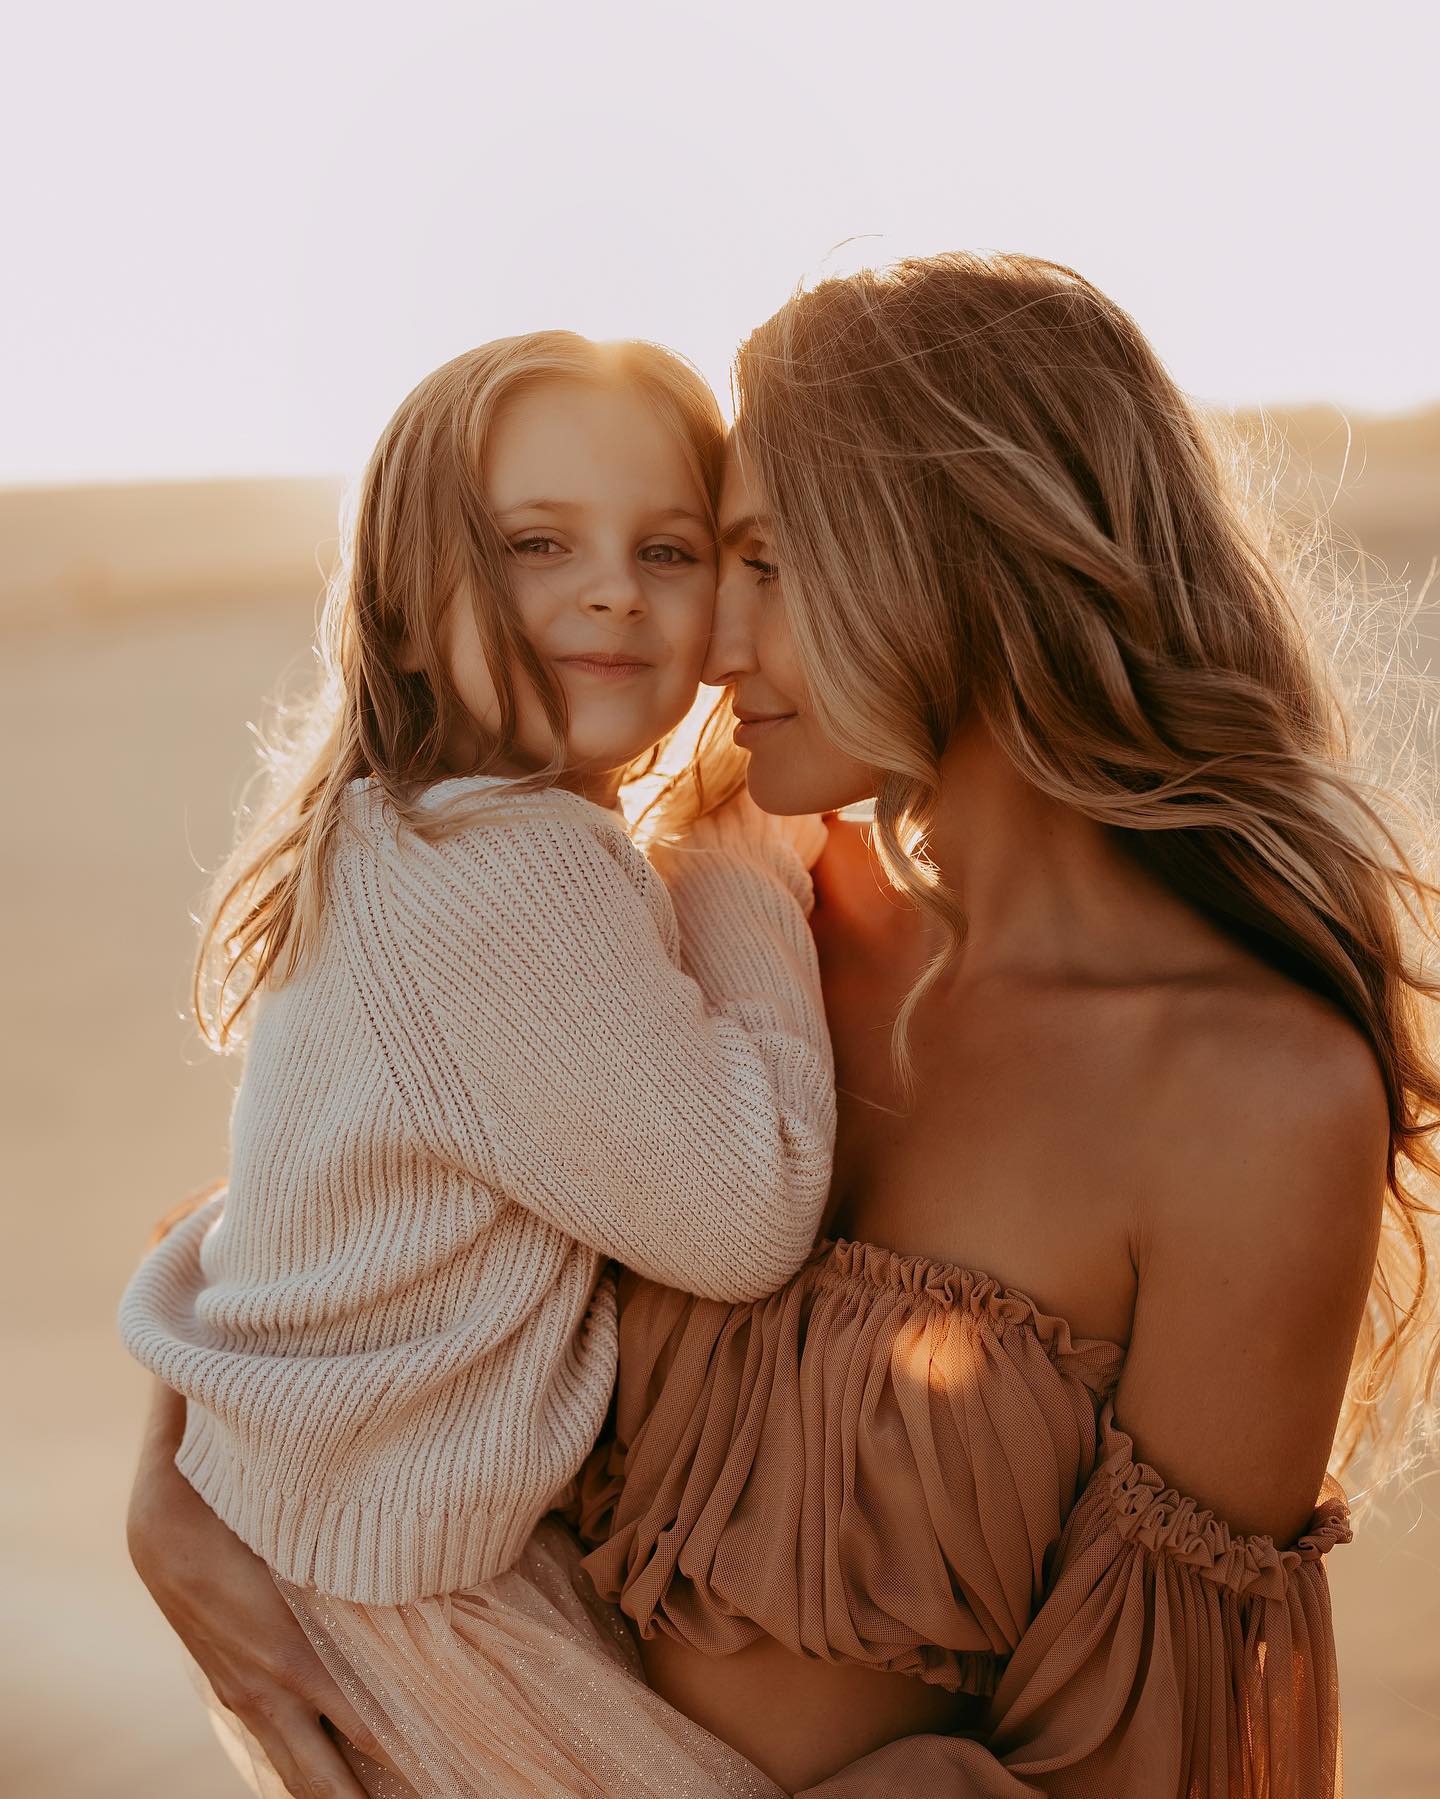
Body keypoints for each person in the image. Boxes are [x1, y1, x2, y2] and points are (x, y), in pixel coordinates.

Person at [127, 255, 1439, 1798]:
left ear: (958, 560)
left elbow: (1171, 1748)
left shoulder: (1253, 1094)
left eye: (752, 562)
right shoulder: (733, 912)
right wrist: (176, 1497)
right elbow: (346, 1208)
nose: (711, 646)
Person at [119, 330, 835, 1798]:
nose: (610, 591)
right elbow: (748, 1214)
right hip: (428, 1618)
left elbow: (309, 1194)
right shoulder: (505, 875)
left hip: (348, 1563)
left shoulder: (402, 826)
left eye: (669, 547)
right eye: (534, 543)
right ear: (401, 596)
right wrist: (741, 865)